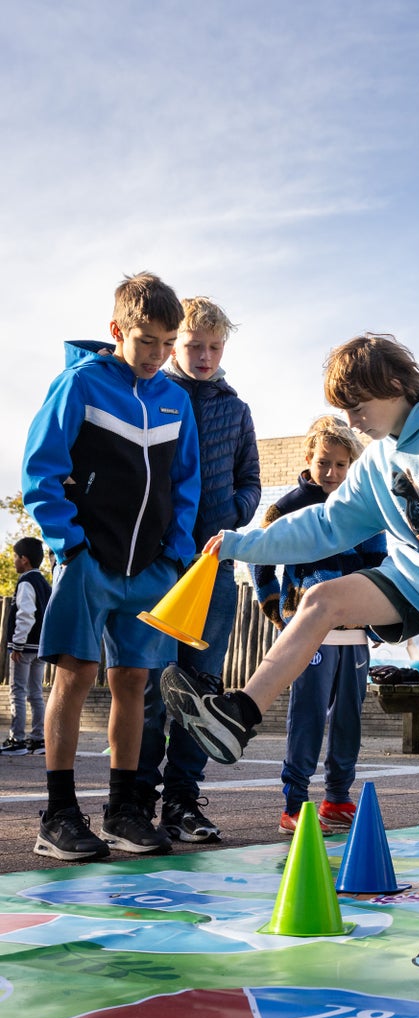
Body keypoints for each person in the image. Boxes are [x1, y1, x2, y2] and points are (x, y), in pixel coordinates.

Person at [159, 334, 419, 873]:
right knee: (322, 598)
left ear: (392, 387)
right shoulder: (375, 463)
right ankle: (239, 713)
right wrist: (241, 543)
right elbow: (326, 525)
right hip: (411, 580)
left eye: (357, 407)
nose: (353, 420)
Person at [22, 272, 200, 860]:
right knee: (75, 676)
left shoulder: (176, 398)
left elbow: (186, 483)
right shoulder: (79, 384)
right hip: (88, 562)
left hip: (152, 567)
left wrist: (174, 554)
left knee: (134, 683)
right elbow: (41, 473)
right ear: (116, 330)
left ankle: (125, 811)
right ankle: (59, 816)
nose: (158, 354)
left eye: (168, 342)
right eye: (147, 340)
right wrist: (69, 546)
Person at [136, 296, 260, 843]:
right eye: (193, 346)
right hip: (159, 565)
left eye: (214, 347)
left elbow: (251, 480)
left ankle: (182, 802)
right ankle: (136, 800)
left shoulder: (236, 409)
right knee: (148, 688)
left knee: (200, 689)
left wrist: (232, 516)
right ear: (174, 345)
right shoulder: (153, 396)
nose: (205, 356)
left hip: (215, 569)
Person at [253, 416, 386, 835]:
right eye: (324, 463)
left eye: (341, 465)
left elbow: (379, 567)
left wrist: (378, 621)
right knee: (308, 715)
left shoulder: (365, 510)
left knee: (350, 715)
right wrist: (278, 611)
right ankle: (293, 803)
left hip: (355, 631)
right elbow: (261, 560)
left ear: (352, 465)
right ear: (309, 459)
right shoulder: (286, 507)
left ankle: (337, 797)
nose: (331, 473)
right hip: (309, 630)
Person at [3, 537, 51, 756]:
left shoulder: (26, 582)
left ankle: (17, 740)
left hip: (24, 648)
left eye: (15, 556)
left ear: (24, 559)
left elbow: (25, 615)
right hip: (40, 646)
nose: (13, 560)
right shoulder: (45, 584)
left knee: (18, 692)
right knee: (35, 693)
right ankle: (38, 739)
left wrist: (18, 644)